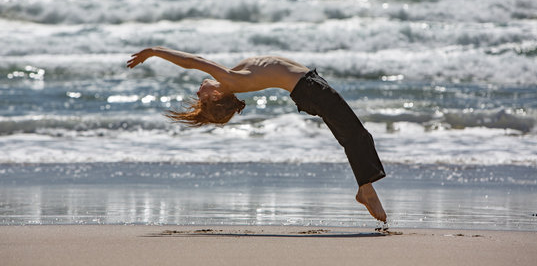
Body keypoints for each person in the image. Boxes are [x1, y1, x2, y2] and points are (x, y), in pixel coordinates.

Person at [127, 46, 387, 222]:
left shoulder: (233, 77)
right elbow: (192, 62)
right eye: (203, 99)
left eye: (199, 97)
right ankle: (366, 190)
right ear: (216, 95)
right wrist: (154, 51)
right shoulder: (228, 79)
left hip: (311, 85)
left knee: (353, 135)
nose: (198, 93)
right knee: (356, 135)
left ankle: (365, 188)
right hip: (309, 89)